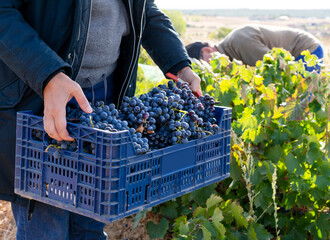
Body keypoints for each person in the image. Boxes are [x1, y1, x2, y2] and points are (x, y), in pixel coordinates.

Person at [0, 0, 201, 239]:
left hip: (105, 98)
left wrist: (179, 64)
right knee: (47, 223)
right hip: (42, 93)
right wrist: (48, 74)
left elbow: (143, 8)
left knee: (91, 222)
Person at [186, 24, 323, 71]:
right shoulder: (231, 51)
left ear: (207, 51)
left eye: (203, 64)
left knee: (300, 104)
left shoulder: (240, 44)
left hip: (306, 50)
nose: (209, 70)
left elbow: (277, 65)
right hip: (296, 54)